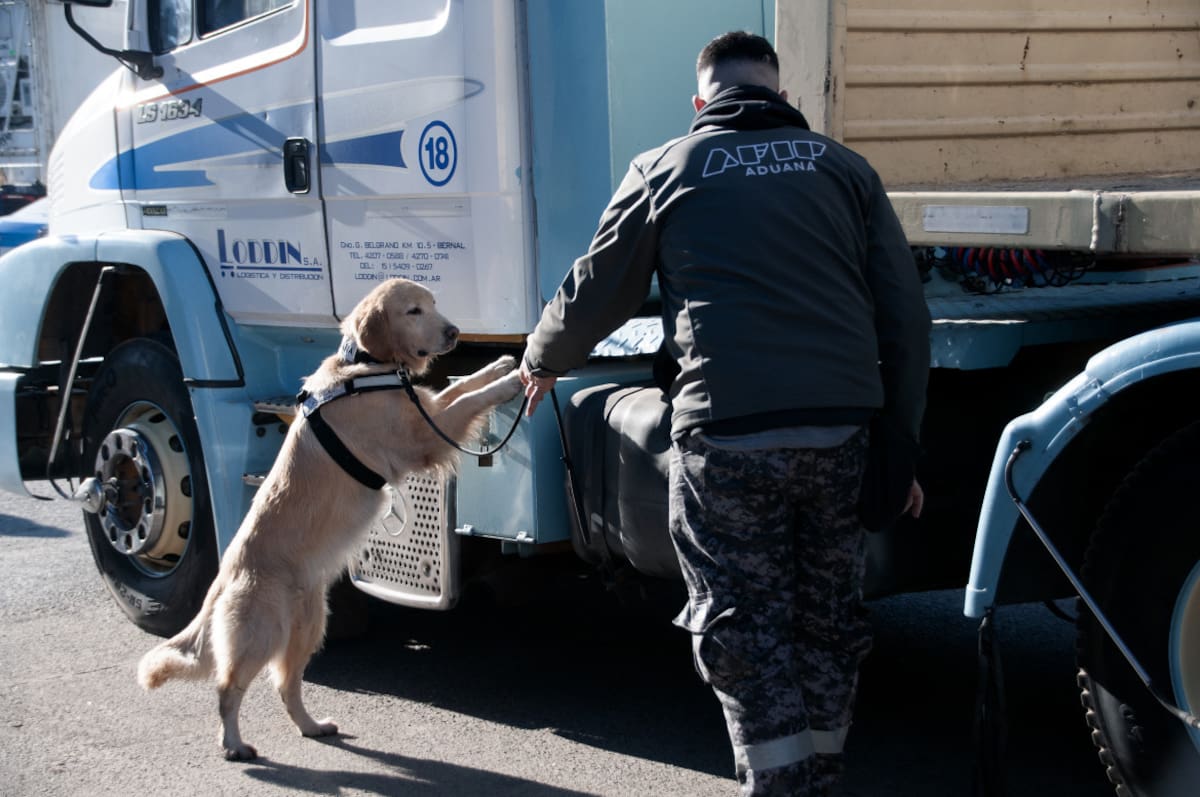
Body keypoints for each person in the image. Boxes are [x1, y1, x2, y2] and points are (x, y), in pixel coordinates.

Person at [519, 31, 930, 796]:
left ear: (699, 101)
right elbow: (905, 317)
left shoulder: (665, 167)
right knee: (828, 618)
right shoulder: (845, 169)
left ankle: (780, 786)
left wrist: (543, 356)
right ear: (781, 95)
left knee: (743, 625)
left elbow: (598, 288)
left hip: (728, 439)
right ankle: (818, 776)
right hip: (841, 433)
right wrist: (898, 448)